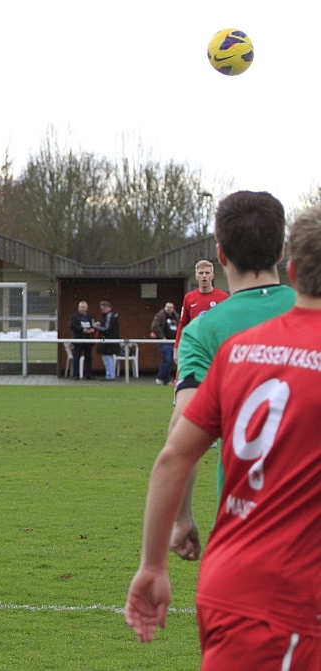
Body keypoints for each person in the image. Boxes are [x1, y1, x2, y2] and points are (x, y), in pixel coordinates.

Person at [125, 207, 321, 668]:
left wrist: (155, 561)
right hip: (296, 585)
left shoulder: (235, 350)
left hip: (238, 576)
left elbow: (175, 452)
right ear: (282, 262)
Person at [165, 191, 295, 562]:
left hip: (246, 534)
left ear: (221, 255)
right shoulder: (310, 313)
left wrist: (182, 517)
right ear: (280, 252)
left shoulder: (204, 331)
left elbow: (182, 433)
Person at [174, 260, 229, 360]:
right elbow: (183, 323)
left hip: (216, 348)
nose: (204, 276)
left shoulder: (223, 297)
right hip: (195, 347)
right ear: (196, 276)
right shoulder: (189, 297)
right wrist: (176, 348)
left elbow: (227, 324)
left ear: (212, 276)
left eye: (207, 273)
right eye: (201, 273)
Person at [150, 302, 179, 386]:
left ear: (173, 309)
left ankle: (166, 379)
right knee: (167, 359)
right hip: (164, 341)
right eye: (167, 307)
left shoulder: (176, 316)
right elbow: (154, 326)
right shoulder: (160, 315)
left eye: (170, 307)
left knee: (170, 360)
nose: (168, 308)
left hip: (174, 341)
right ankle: (160, 377)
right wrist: (162, 337)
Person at [68, 301, 96, 380]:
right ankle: (76, 375)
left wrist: (92, 330)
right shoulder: (74, 317)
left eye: (83, 307)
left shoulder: (91, 317)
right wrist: (82, 330)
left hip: (88, 340)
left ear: (87, 308)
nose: (82, 309)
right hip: (78, 340)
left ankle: (88, 374)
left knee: (88, 358)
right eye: (80, 307)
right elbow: (72, 326)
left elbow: (94, 326)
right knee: (76, 357)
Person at [93, 301, 120, 380]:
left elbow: (107, 328)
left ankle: (110, 375)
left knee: (107, 357)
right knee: (109, 357)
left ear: (106, 307)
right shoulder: (112, 314)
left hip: (108, 341)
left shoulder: (110, 315)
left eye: (102, 308)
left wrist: (97, 326)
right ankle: (110, 374)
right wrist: (101, 323)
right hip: (111, 339)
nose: (102, 310)